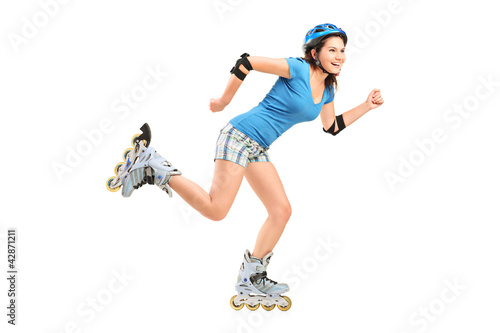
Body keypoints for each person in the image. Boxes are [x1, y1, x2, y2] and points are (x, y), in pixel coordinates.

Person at [111, 23, 384, 310]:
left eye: (342, 50)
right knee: (217, 210)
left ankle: (251, 277)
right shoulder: (297, 68)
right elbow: (247, 62)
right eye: (332, 49)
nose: (340, 56)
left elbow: (331, 126)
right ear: (314, 52)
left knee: (281, 211)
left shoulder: (328, 89)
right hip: (239, 135)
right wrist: (223, 101)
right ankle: (152, 164)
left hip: (257, 147)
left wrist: (366, 105)